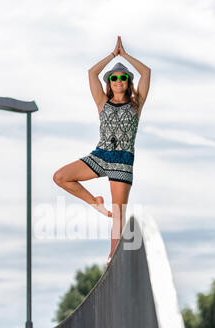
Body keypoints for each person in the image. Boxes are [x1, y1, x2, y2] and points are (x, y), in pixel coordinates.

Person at [53, 36, 151, 266]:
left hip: (123, 161)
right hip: (101, 155)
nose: (118, 80)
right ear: (110, 82)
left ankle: (112, 257)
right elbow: (91, 73)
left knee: (118, 213)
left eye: (123, 77)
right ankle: (94, 201)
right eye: (114, 77)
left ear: (128, 82)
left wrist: (124, 55)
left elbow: (146, 73)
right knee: (60, 177)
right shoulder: (102, 102)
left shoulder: (137, 104)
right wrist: (111, 56)